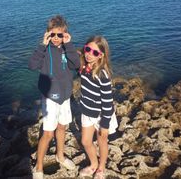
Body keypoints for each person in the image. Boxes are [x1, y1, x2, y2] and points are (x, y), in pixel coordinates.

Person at [28, 15, 80, 179]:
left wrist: (69, 45)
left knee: (62, 127)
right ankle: (39, 166)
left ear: (65, 35)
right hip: (50, 97)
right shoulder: (44, 50)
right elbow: (32, 65)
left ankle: (60, 156)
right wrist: (42, 45)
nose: (56, 38)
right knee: (48, 133)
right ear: (48, 34)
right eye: (53, 35)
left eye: (60, 35)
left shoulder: (67, 48)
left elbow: (76, 65)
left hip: (65, 96)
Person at [79, 35, 118, 179]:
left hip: (102, 115)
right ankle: (93, 164)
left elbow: (108, 101)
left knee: (102, 141)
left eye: (94, 52)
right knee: (85, 141)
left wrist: (105, 124)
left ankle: (101, 168)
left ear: (101, 55)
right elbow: (73, 53)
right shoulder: (83, 66)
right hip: (87, 111)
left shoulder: (103, 74)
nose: (89, 54)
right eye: (87, 49)